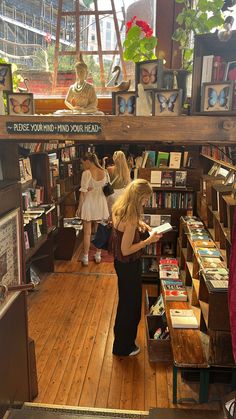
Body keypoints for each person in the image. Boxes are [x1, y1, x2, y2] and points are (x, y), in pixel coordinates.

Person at [111, 179, 162, 356]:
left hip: (119, 263)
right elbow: (126, 250)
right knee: (131, 306)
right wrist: (148, 241)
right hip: (128, 264)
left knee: (125, 303)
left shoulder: (119, 207)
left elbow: (123, 233)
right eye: (146, 199)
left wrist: (144, 226)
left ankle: (121, 342)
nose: (146, 202)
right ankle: (124, 347)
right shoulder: (131, 219)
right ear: (139, 197)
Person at [76, 152, 109, 266]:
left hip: (89, 203)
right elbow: (107, 189)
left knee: (87, 233)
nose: (83, 165)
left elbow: (83, 193)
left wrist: (79, 208)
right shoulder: (104, 172)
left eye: (83, 163)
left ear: (88, 161)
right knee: (100, 231)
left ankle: (85, 257)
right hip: (101, 202)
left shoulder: (86, 173)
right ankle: (98, 255)